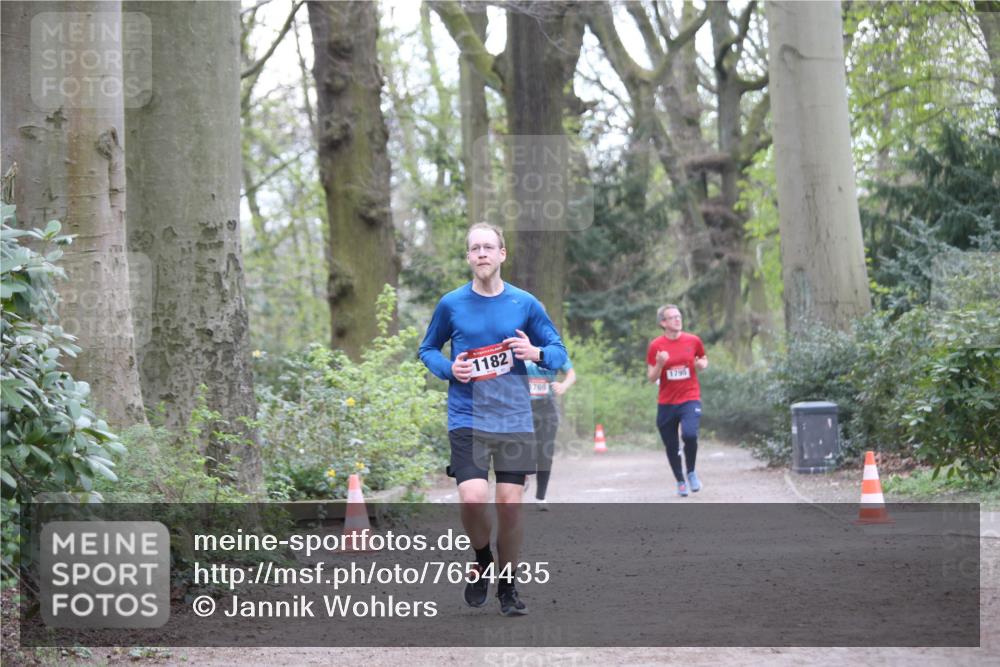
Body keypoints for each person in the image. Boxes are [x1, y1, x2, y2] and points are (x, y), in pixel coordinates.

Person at [419, 222, 568, 616]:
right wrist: (450, 369)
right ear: (468, 257)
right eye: (475, 248)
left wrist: (536, 353)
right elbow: (427, 349)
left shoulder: (525, 303)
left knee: (509, 506)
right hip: (467, 415)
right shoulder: (451, 304)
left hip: (514, 418)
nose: (482, 253)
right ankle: (483, 557)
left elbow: (559, 352)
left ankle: (508, 585)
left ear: (502, 254)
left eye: (489, 247)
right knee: (472, 498)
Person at [646, 304, 708, 497]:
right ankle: (680, 481)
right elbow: (652, 378)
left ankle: (691, 472)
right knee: (671, 445)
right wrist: (660, 364)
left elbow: (703, 358)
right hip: (667, 402)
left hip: (690, 397)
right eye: (672, 317)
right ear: (663, 323)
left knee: (689, 435)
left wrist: (701, 364)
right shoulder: (656, 346)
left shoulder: (693, 340)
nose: (677, 319)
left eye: (679, 316)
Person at [523, 357, 575, 509]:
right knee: (521, 448)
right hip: (522, 407)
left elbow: (571, 374)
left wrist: (564, 385)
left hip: (547, 408)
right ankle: (522, 476)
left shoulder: (554, 349)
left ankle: (541, 497)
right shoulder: (518, 347)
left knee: (545, 453)